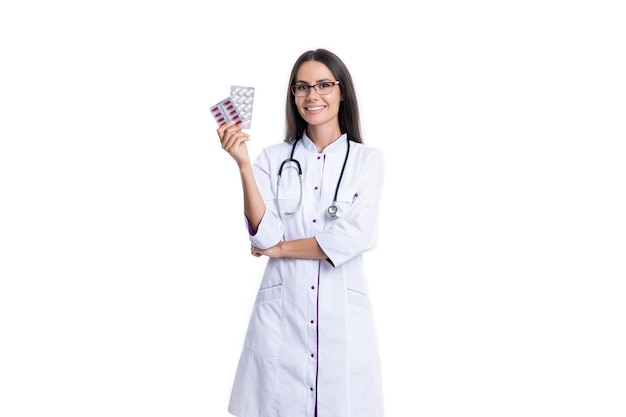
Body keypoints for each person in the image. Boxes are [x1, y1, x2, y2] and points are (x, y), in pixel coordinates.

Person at [217, 48, 385, 417]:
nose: (313, 96)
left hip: (341, 320)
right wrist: (243, 164)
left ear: (342, 92)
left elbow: (350, 239)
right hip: (282, 318)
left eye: (324, 85)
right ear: (293, 96)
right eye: (302, 87)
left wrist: (279, 250)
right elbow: (262, 237)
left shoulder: (366, 161)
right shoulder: (271, 159)